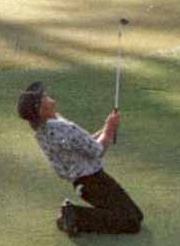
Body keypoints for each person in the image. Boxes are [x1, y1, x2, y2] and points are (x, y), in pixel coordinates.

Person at [17, 81, 144, 237]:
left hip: (85, 184)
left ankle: (75, 215)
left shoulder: (44, 130)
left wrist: (107, 128)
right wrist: (110, 128)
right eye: (43, 97)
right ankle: (74, 215)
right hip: (94, 182)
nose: (46, 95)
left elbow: (84, 145)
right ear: (41, 109)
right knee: (131, 222)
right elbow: (97, 150)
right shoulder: (63, 128)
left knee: (136, 215)